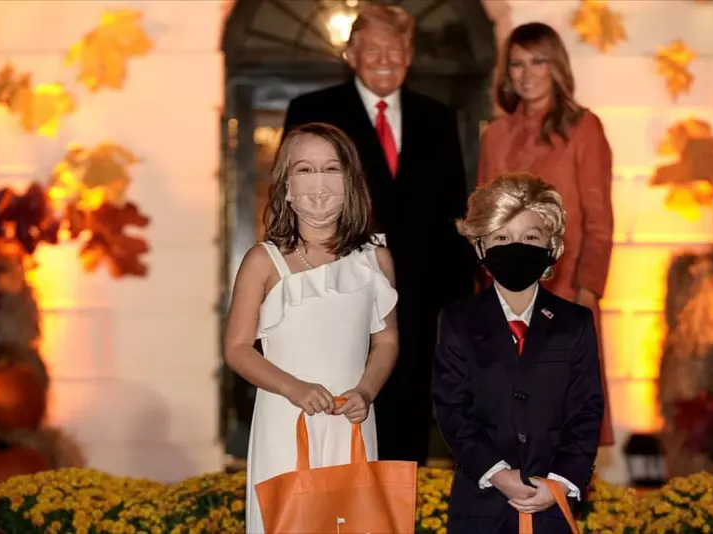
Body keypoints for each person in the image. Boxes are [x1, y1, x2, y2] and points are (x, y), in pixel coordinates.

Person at [282, 4, 474, 464]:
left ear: (409, 55)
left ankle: (398, 507)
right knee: (336, 429)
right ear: (351, 55)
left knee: (406, 436)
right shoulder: (312, 112)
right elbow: (290, 203)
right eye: (372, 49)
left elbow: (455, 218)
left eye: (395, 49)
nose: (384, 59)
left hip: (419, 306)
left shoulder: (438, 117)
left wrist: (458, 309)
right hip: (334, 293)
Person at [223, 122, 399, 533]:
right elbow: (237, 348)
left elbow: (387, 341)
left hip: (352, 419)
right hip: (286, 418)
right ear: (286, 185)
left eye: (331, 169)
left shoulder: (375, 259)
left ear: (350, 181)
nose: (318, 182)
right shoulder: (263, 261)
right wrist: (294, 388)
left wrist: (366, 391)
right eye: (305, 169)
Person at [432, 174, 604, 534]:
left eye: (530, 237)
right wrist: (497, 473)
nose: (516, 247)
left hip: (552, 505)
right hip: (480, 506)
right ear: (481, 246)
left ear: (551, 246)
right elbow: (452, 408)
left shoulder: (575, 323)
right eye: (502, 238)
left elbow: (587, 410)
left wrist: (559, 481)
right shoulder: (457, 321)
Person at [477, 22, 614, 445]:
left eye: (538, 61)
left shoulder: (583, 128)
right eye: (517, 64)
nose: (527, 73)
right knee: (506, 422)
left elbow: (599, 220)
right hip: (504, 294)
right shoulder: (495, 135)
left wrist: (587, 292)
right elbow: (483, 222)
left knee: (565, 422)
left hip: (566, 289)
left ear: (556, 66)